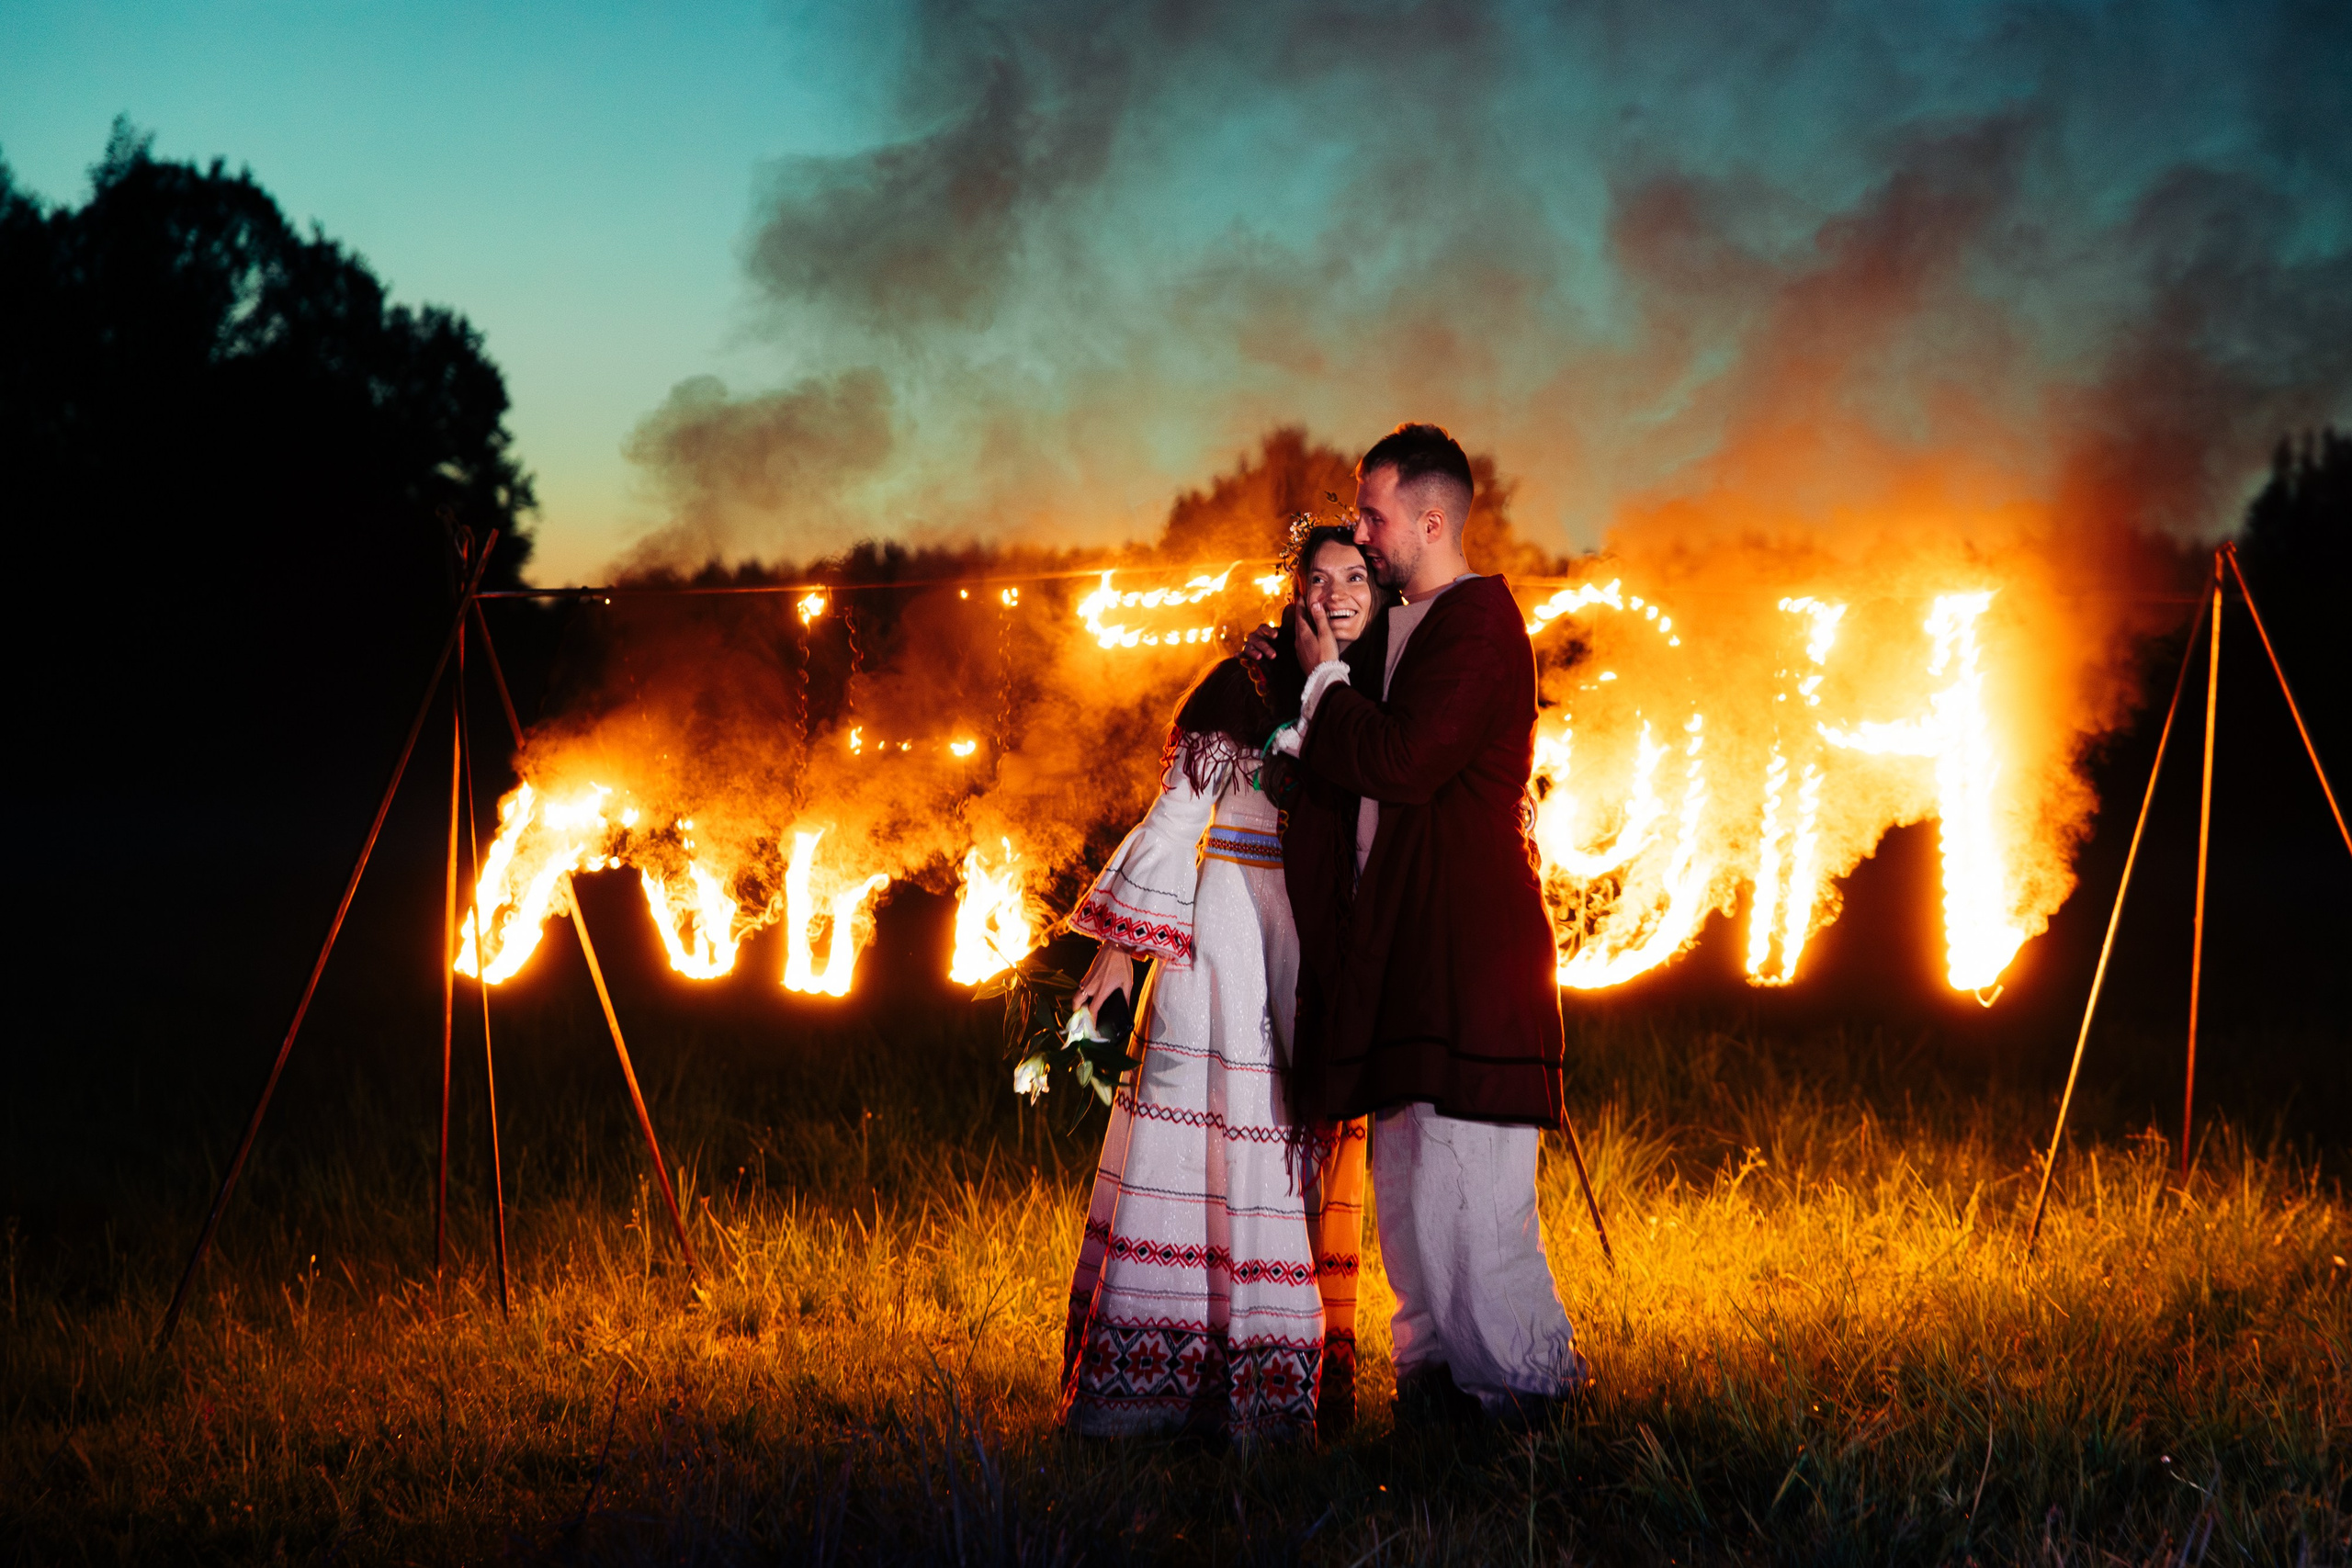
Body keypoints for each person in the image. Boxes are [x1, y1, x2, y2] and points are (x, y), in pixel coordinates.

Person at [1266, 422, 1589, 1427]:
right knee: (1409, 1203)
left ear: (1432, 517)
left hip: (1466, 959)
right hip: (1407, 959)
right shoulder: (1402, 630)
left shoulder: (1480, 624)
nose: (1360, 535)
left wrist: (1322, 687)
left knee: (1471, 1200)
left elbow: (1403, 763)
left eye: (1373, 513)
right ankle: (1437, 1401)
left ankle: (1530, 1408)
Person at [1055, 525, 1391, 1444]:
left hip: (1323, 942)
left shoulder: (1391, 688)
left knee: (1295, 1142)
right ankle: (1167, 1390)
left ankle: (1279, 1386)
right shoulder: (1240, 682)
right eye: (1314, 578)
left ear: (1379, 586)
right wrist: (1121, 946)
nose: (1332, 595)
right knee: (1205, 1133)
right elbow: (1176, 815)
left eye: (1353, 577)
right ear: (1290, 588)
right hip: (1230, 928)